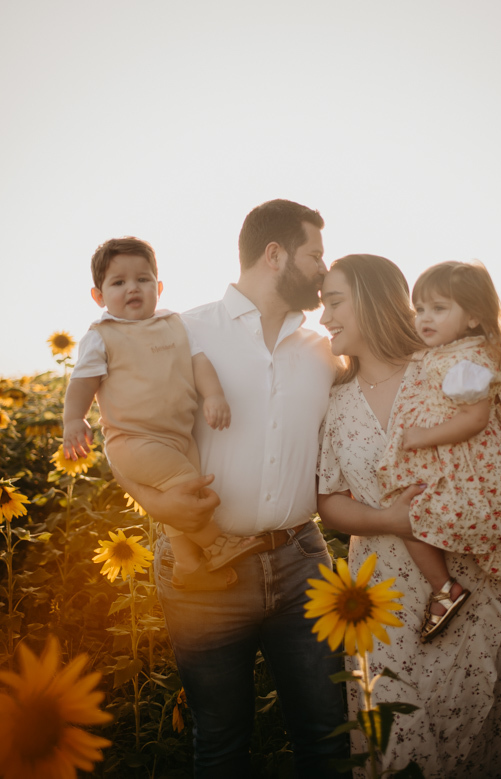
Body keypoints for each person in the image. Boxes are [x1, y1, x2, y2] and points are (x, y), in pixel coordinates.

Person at [112, 202, 350, 778]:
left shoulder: (324, 349)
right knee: (220, 745)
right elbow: (123, 431)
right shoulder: (183, 331)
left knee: (329, 739)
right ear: (275, 255)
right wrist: (155, 503)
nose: (324, 268)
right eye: (315, 254)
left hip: (301, 561)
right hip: (203, 575)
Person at [318, 254, 501, 778]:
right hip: (380, 597)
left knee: (478, 731)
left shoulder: (447, 370)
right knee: (397, 738)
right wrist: (392, 521)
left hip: (470, 581)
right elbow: (327, 500)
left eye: (334, 302)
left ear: (372, 301)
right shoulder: (334, 402)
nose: (324, 317)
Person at [376, 261, 501, 666]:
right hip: (494, 472)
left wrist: (420, 437)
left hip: (476, 471)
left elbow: (473, 420)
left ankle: (445, 589)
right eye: (420, 309)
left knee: (410, 513)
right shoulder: (459, 353)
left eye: (439, 308)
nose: (425, 318)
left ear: (474, 316)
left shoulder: (467, 364)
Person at [63, 236, 262, 590]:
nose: (132, 288)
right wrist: (73, 419)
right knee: (186, 487)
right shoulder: (102, 336)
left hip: (179, 436)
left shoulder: (175, 324)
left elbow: (199, 363)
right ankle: (216, 543)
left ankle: (188, 565)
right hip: (133, 441)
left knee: (180, 497)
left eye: (143, 279)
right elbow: (82, 381)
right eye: (118, 282)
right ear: (98, 296)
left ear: (159, 287)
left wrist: (214, 395)